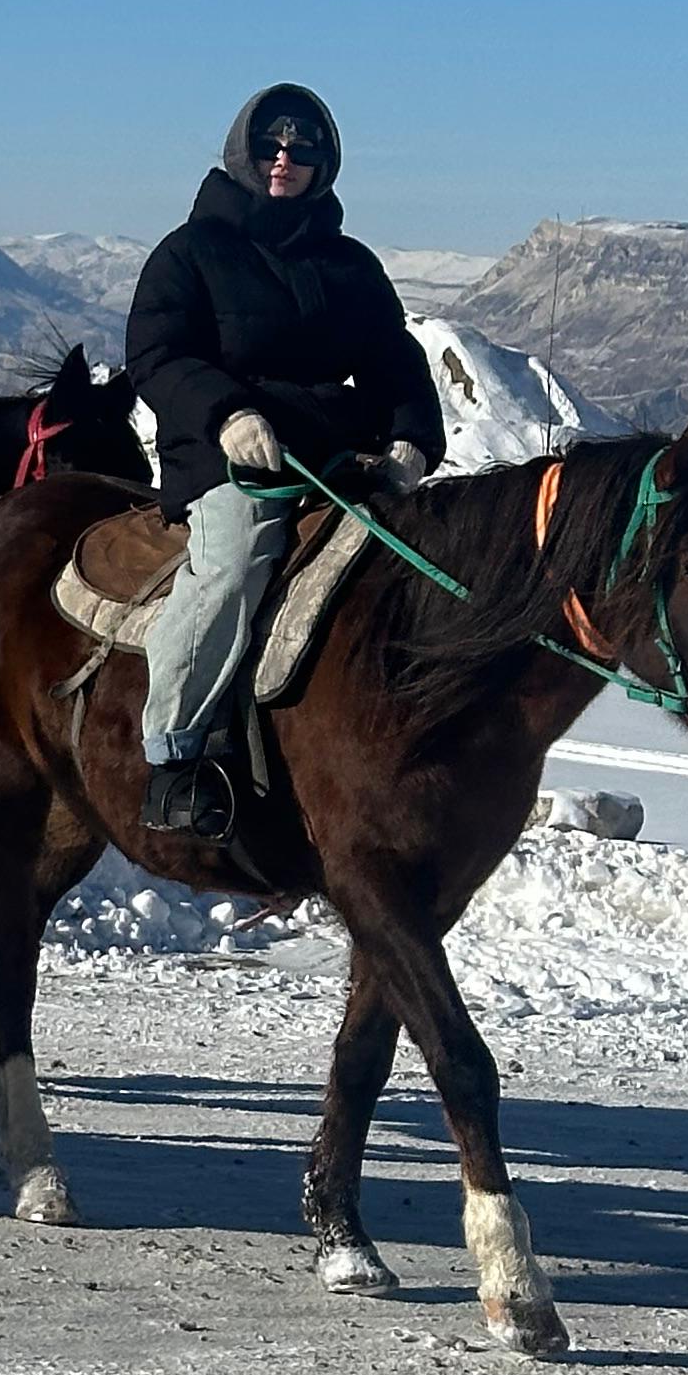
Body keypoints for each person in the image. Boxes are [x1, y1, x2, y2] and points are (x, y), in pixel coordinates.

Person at [122, 84, 443, 838]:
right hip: (226, 458)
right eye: (269, 147)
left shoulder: (350, 265)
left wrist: (411, 437)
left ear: (323, 164)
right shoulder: (189, 253)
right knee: (235, 566)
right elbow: (157, 355)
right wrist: (227, 415)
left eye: (301, 151)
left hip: (336, 456)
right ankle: (173, 755)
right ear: (243, 153)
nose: (283, 161)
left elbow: (393, 359)